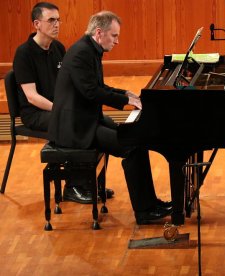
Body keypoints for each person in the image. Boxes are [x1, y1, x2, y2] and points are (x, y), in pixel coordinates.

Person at [48, 10, 172, 224]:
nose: (117, 41)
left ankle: (151, 204)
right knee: (132, 146)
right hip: (76, 128)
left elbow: (98, 87)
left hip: (88, 119)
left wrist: (125, 94)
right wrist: (124, 102)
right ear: (99, 32)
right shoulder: (81, 53)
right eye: (114, 36)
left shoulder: (90, 49)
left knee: (136, 139)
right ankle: (144, 212)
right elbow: (91, 92)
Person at [12, 2, 114, 204]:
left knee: (103, 120)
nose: (57, 24)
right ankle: (73, 187)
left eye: (58, 20)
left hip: (61, 107)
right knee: (77, 123)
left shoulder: (59, 48)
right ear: (36, 24)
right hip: (36, 112)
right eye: (51, 20)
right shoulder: (24, 53)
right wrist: (65, 110)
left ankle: (92, 183)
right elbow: (31, 96)